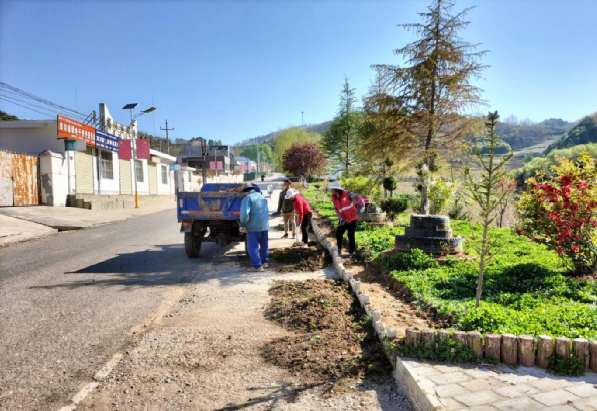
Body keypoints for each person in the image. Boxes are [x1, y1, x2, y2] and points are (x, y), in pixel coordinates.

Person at [329, 181, 365, 257]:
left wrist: (362, 206)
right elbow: (337, 210)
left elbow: (358, 196)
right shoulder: (334, 198)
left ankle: (352, 251)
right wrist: (340, 219)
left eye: (331, 189)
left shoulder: (348, 194)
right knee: (339, 233)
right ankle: (339, 249)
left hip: (352, 218)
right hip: (343, 219)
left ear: (336, 189)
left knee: (350, 235)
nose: (330, 190)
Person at [239, 182, 270, 272]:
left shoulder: (247, 198)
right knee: (264, 245)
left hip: (253, 227)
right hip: (264, 226)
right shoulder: (262, 197)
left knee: (252, 247)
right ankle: (265, 262)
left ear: (245, 191)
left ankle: (257, 266)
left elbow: (244, 214)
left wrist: (242, 224)